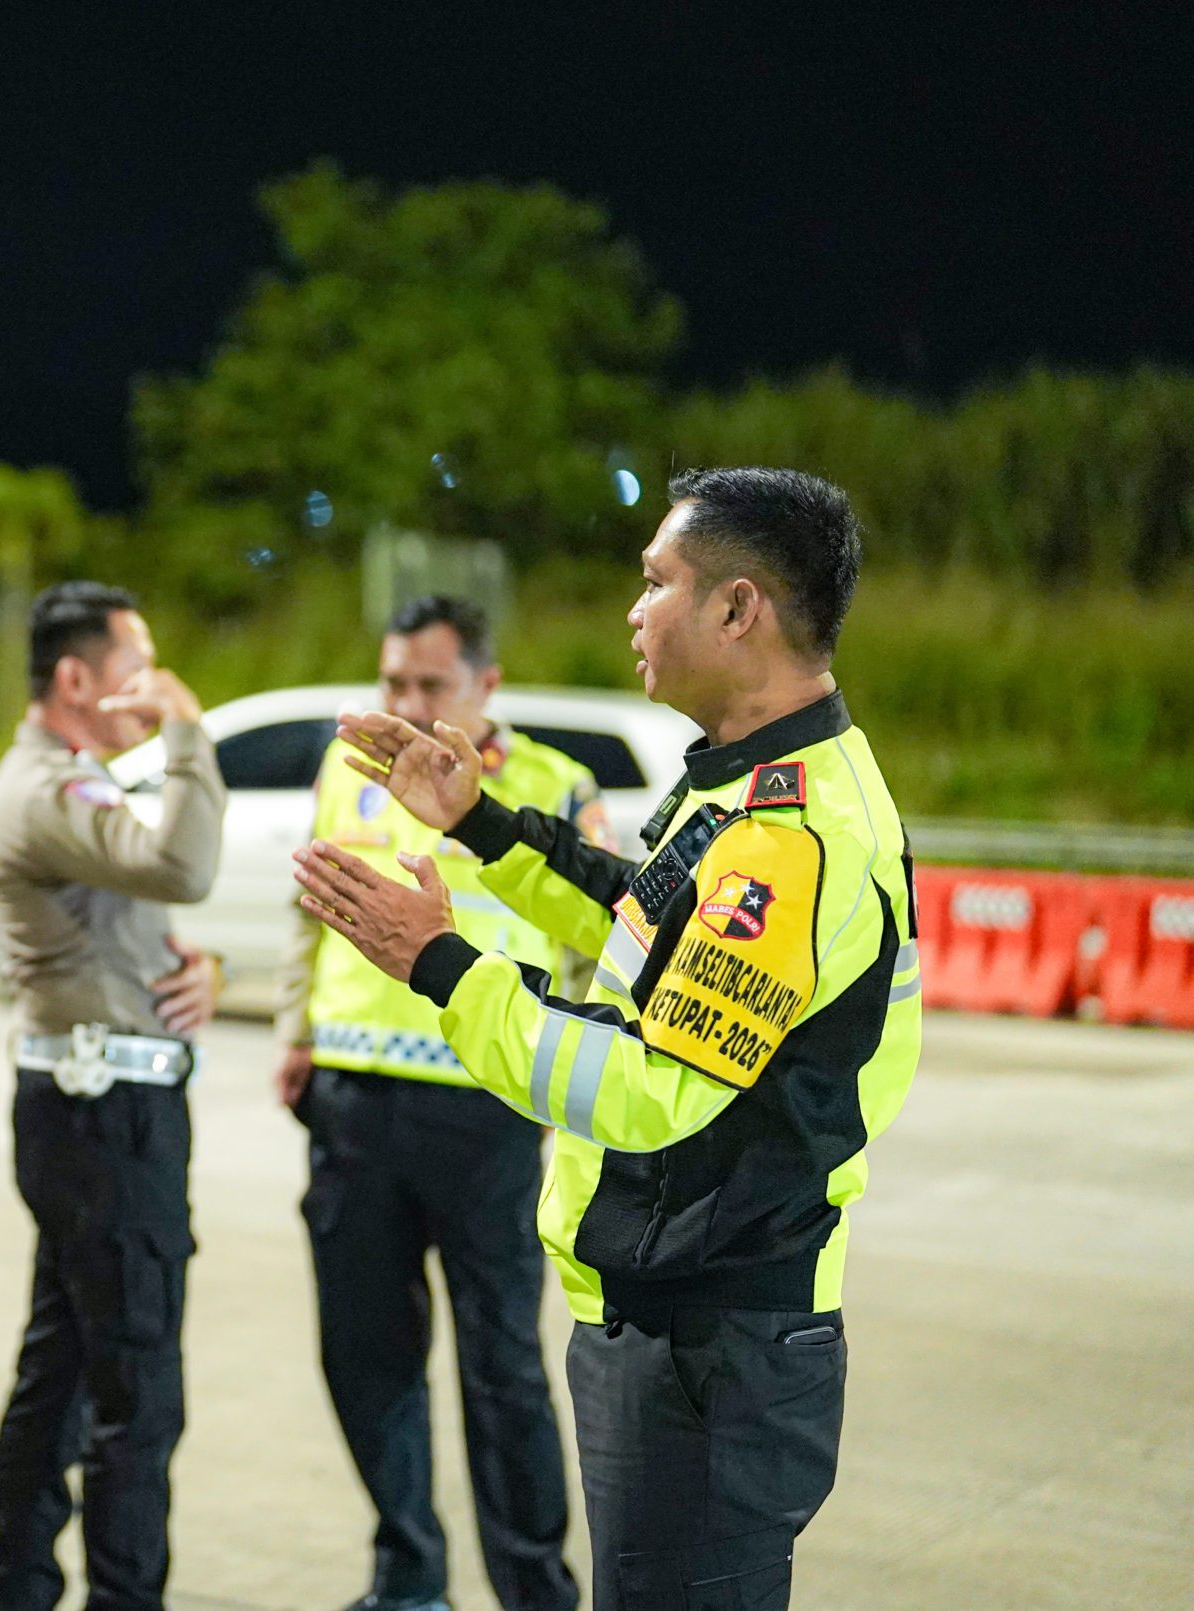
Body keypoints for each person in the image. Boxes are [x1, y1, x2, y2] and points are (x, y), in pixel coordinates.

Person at [293, 467, 921, 1611]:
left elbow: (652, 1090)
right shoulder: (745, 790)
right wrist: (480, 824)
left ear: (737, 609)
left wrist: (439, 965)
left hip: (712, 1330)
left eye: (655, 582)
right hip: (680, 1302)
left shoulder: (790, 835)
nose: (634, 611)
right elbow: (641, 921)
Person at [276, 596, 596, 1611]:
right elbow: (310, 909)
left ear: (485, 685)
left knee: (502, 1367)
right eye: (395, 681)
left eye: (432, 685)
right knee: (365, 1353)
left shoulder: (551, 783)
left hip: (486, 1106)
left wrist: (564, 1079)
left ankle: (534, 1590)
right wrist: (296, 1031)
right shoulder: (346, 767)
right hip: (353, 1099)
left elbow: (595, 952)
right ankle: (407, 1575)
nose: (408, 702)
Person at [0, 580, 227, 1611]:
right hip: (104, 1118)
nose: (156, 685)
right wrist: (189, 730)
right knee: (136, 1394)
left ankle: (18, 1587)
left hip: (96, 1105)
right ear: (78, 679)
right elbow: (182, 864)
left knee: (65, 1373)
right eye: (139, 668)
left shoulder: (72, 780)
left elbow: (139, 920)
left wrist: (199, 971)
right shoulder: (47, 789)